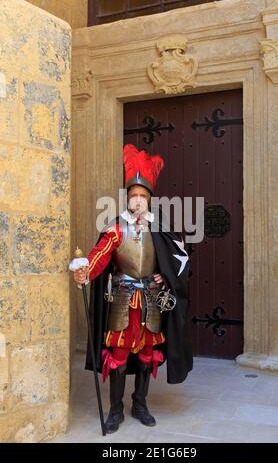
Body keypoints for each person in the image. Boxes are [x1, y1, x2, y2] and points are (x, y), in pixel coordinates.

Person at [74, 143, 193, 434]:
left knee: (146, 355)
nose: (137, 200)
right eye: (133, 195)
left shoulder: (160, 228)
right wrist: (84, 271)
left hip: (152, 300)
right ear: (127, 199)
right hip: (123, 300)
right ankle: (115, 410)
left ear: (149, 199)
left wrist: (167, 277)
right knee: (118, 356)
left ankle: (140, 403)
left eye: (142, 196)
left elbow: (177, 261)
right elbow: (99, 257)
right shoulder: (116, 228)